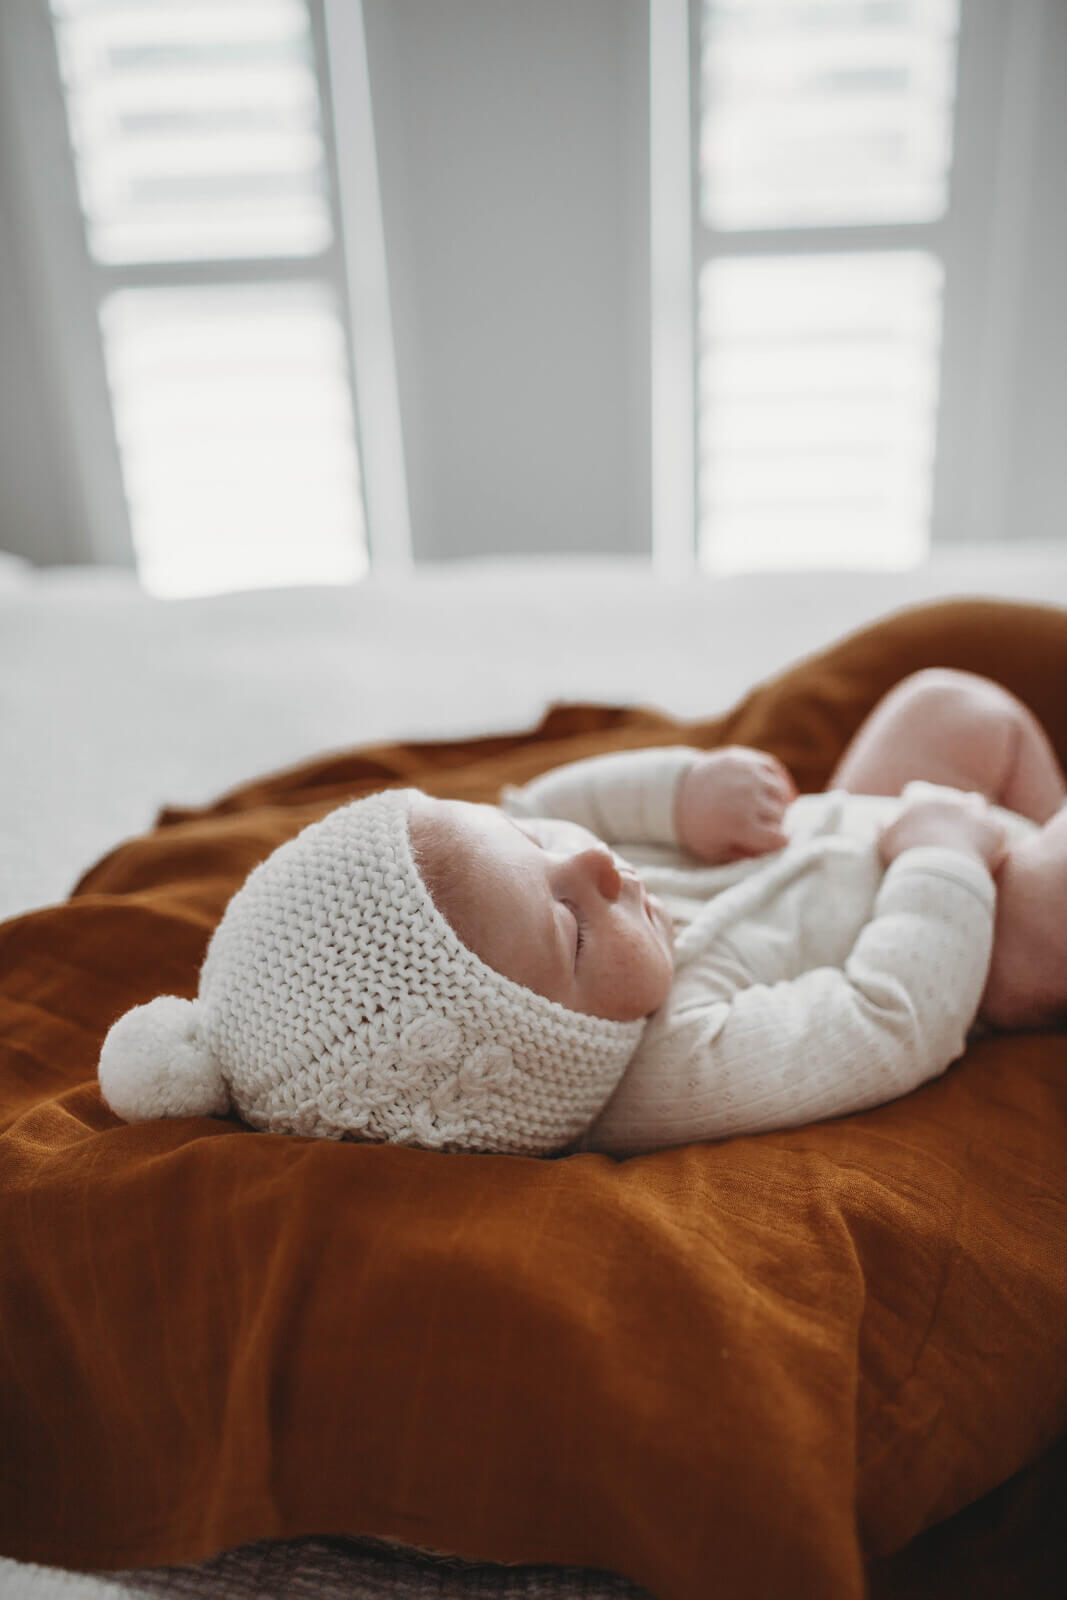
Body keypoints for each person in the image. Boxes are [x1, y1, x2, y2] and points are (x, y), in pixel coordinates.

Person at [98, 669, 1067, 1158]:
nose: (594, 866)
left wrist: (679, 794)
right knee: (1044, 902)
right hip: (960, 923)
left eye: (538, 852)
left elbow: (550, 808)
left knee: (952, 708)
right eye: (568, 930)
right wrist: (941, 859)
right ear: (550, 1056)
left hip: (841, 829)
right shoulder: (669, 1069)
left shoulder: (542, 874)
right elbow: (881, 1021)